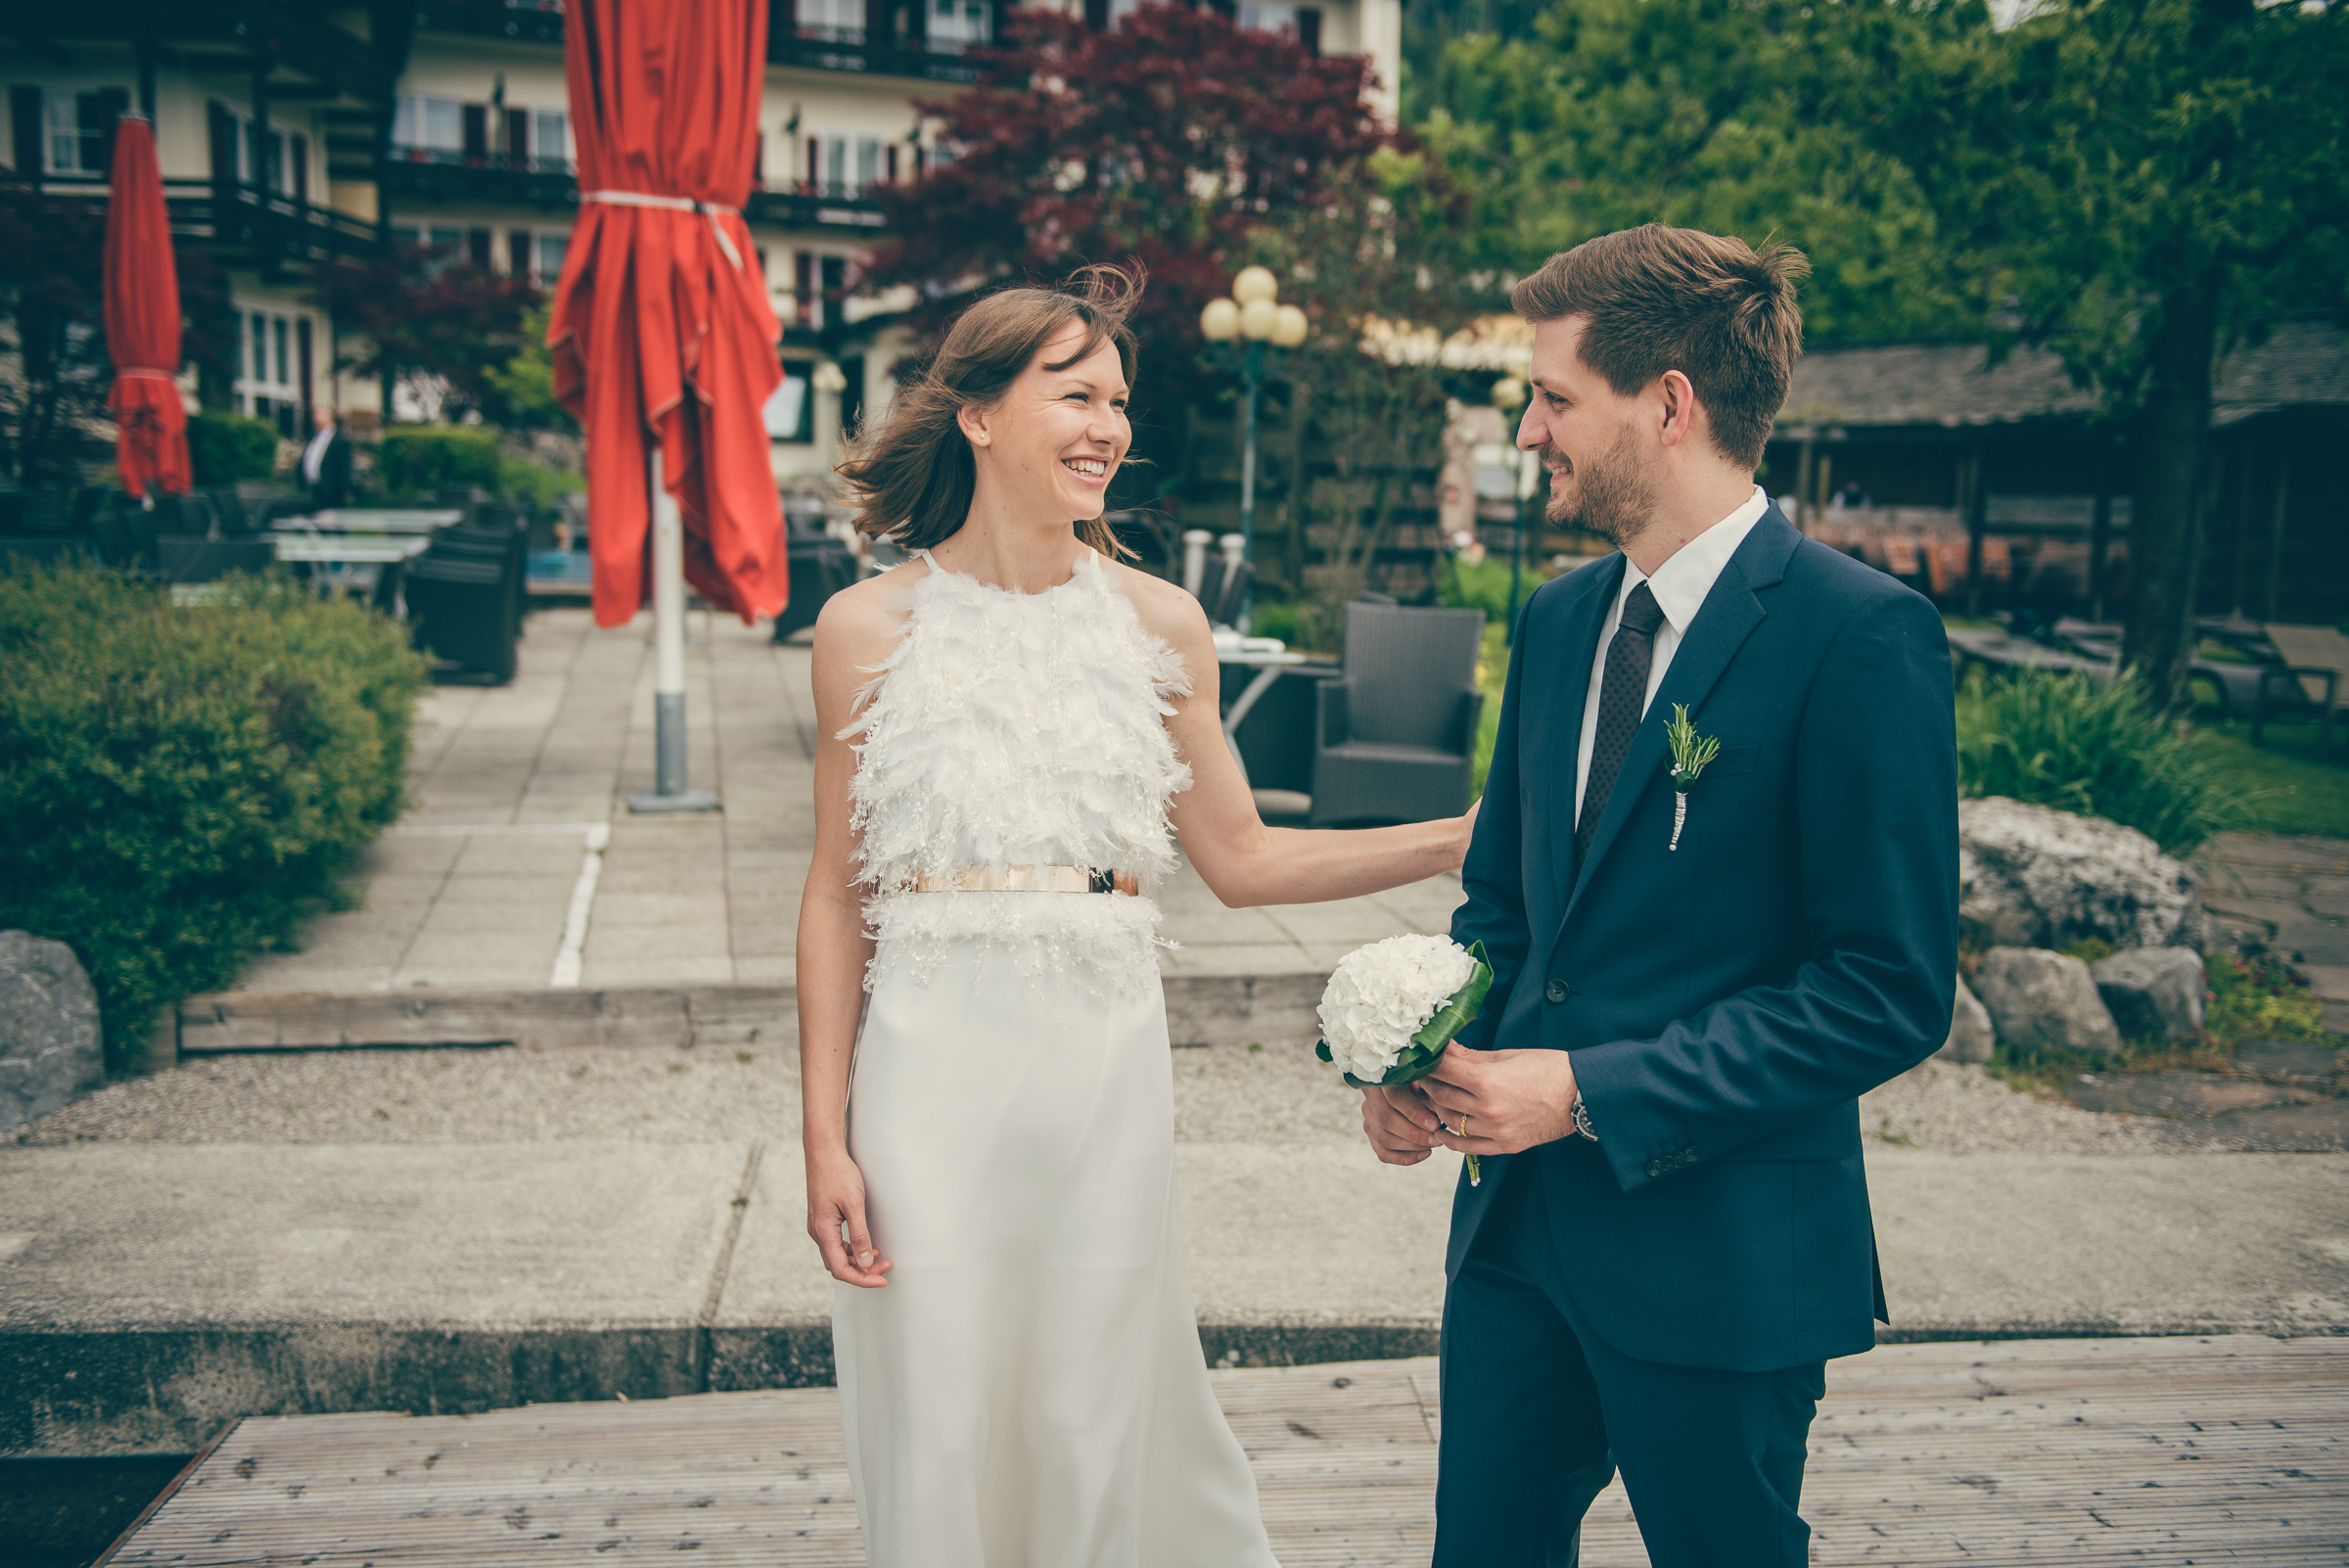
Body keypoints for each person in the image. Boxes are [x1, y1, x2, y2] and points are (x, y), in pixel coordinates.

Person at [798, 264, 1477, 1567]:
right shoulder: (864, 628)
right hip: (926, 1070)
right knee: (935, 1405)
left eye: (1119, 399)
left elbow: (1243, 857)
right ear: (980, 415)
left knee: (1087, 1403)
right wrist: (823, 1136)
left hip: (1102, 1066)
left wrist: (1458, 835)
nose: (1108, 424)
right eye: (1075, 394)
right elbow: (835, 897)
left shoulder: (1161, 623)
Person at [1360, 224, 1958, 1566]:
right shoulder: (1561, 619)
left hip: (1724, 1247)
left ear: (1670, 403)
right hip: (1515, 1240)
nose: (1528, 432)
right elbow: (1507, 908)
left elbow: (1889, 988)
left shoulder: (1858, 636)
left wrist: (1582, 1091)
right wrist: (1424, 1058)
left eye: (1554, 397)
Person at [300, 407, 352, 510]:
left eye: (320, 415)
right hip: (313, 490)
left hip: (330, 492)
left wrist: (345, 490)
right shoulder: (313, 437)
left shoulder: (339, 440)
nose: (315, 418)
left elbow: (343, 467)